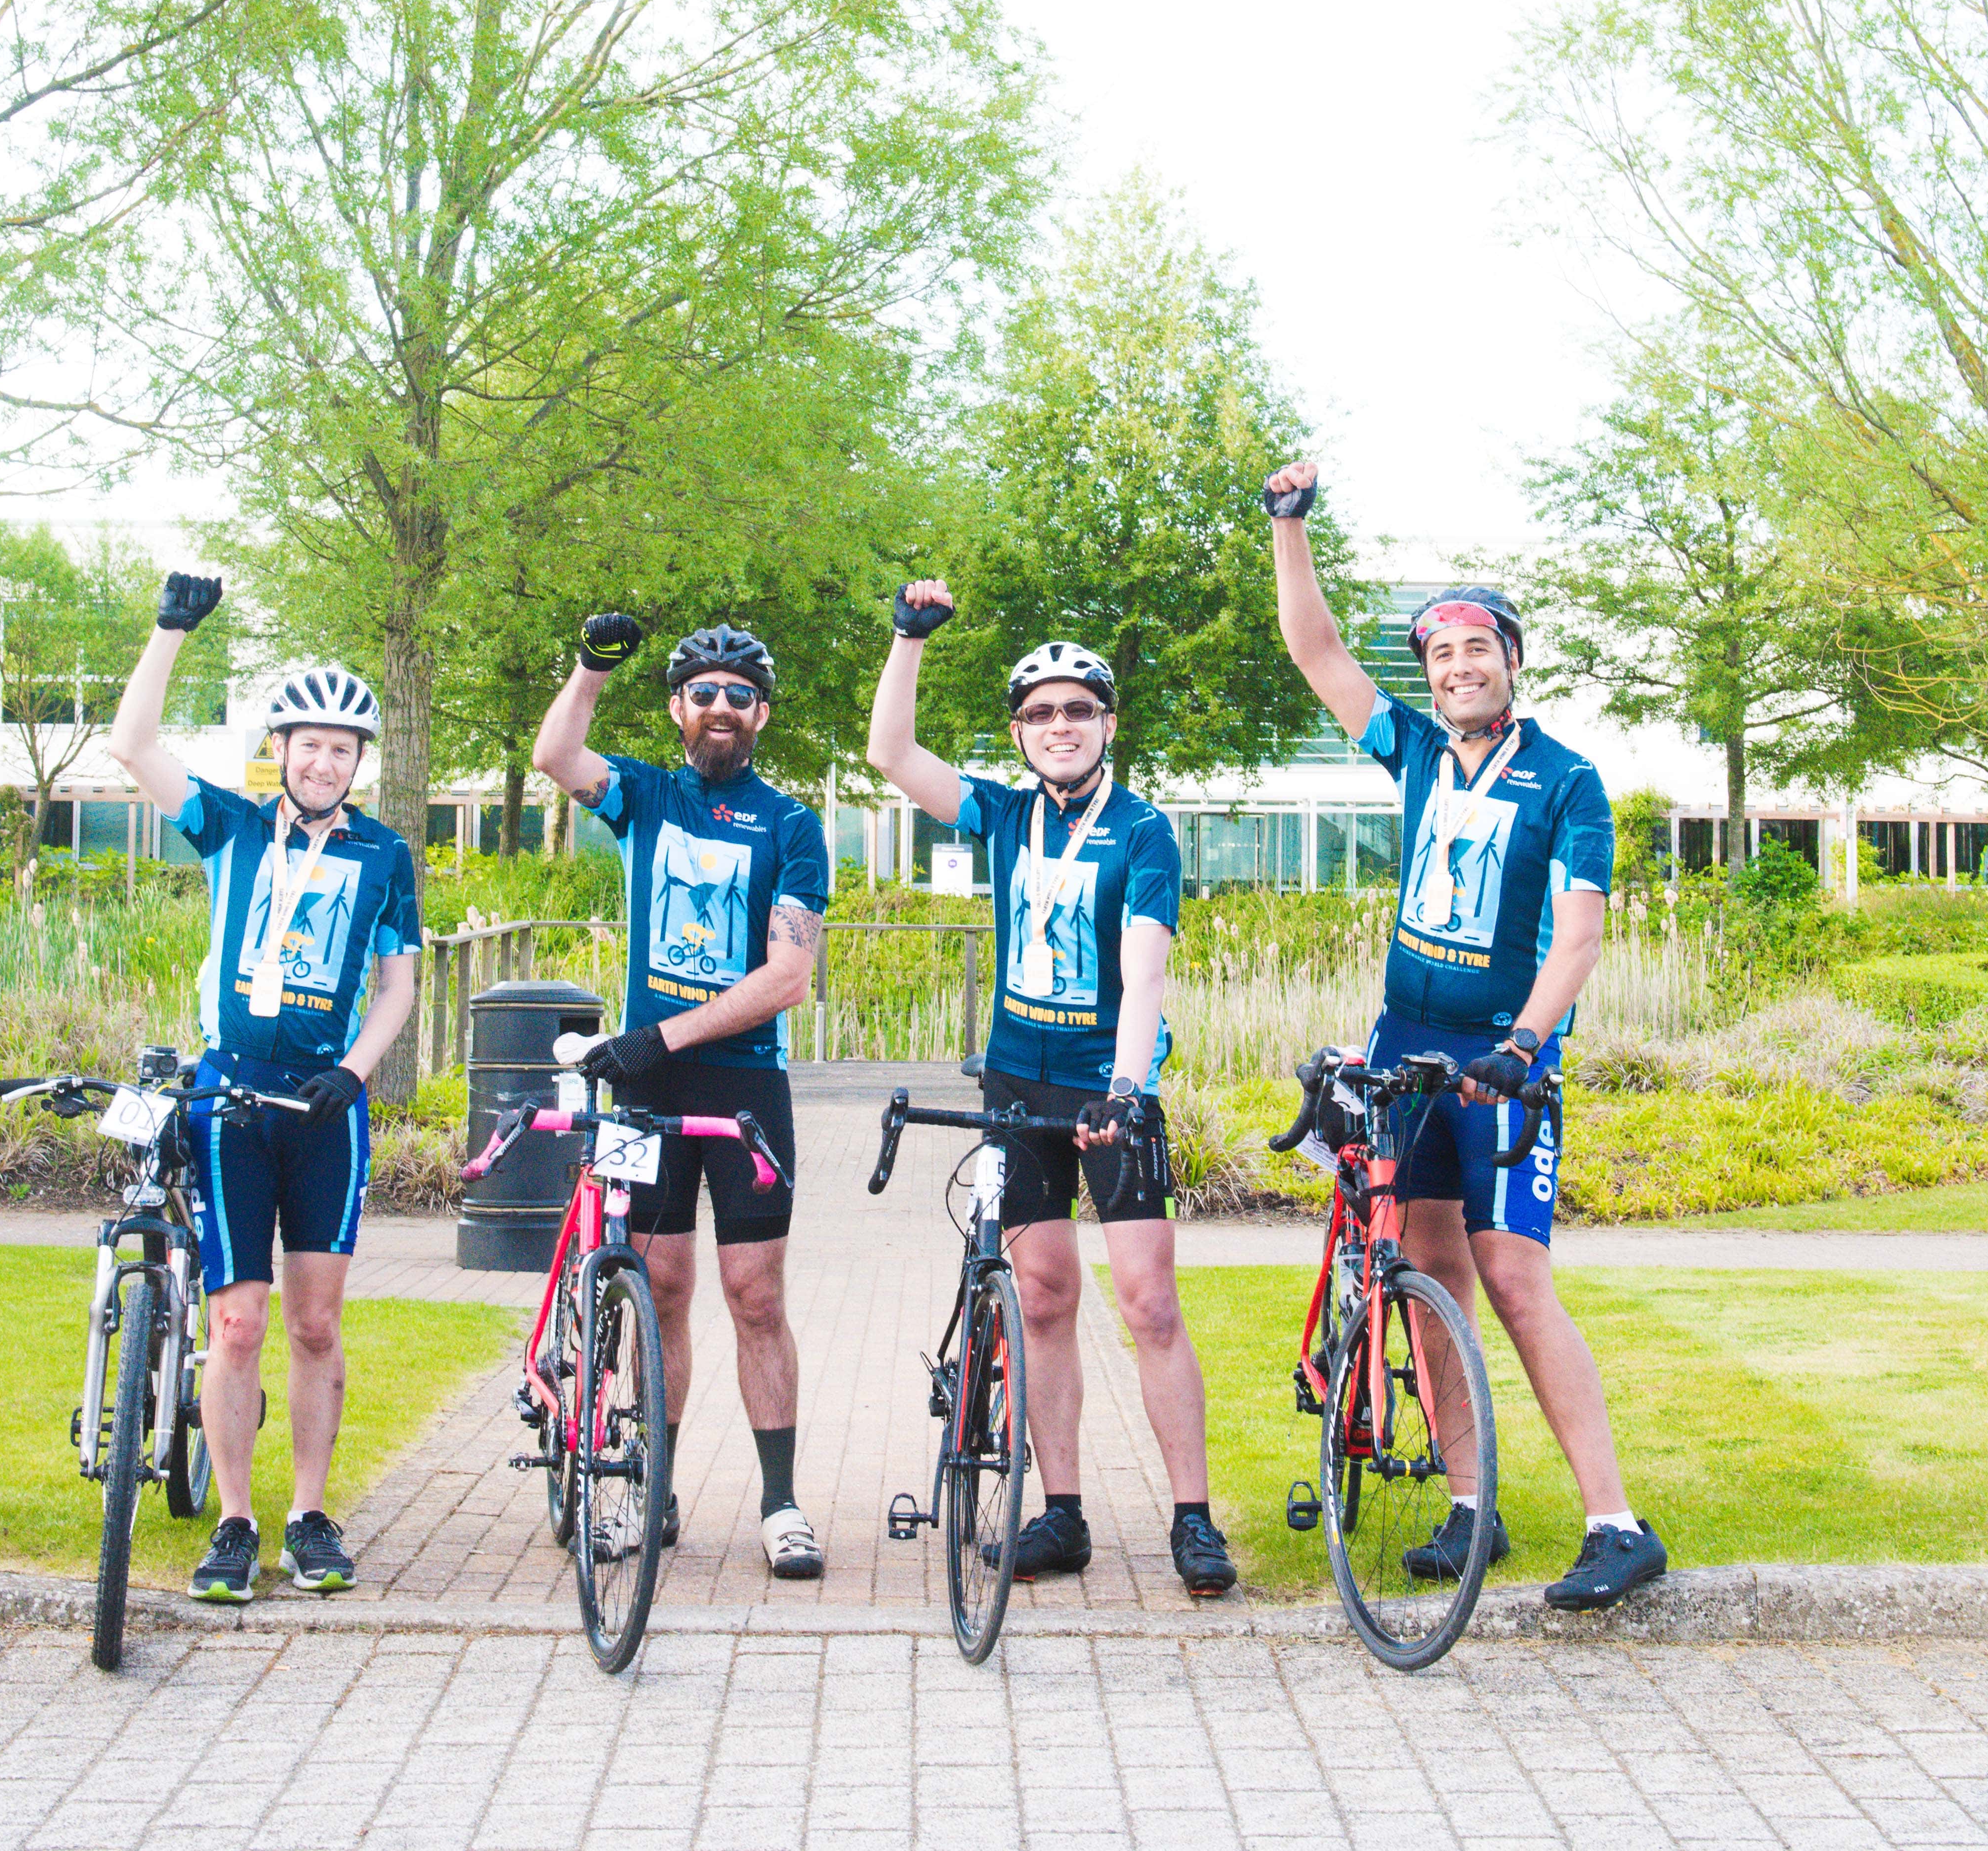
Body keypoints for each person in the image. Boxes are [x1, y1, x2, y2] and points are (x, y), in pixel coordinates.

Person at [1261, 461, 1669, 1613]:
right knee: (1427, 1262)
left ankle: (1615, 1522)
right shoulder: (1417, 754)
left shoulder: (1568, 781)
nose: (1457, 669)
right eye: (1440, 657)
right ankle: (1468, 1501)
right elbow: (1317, 651)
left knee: (1514, 1274)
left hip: (1502, 1058)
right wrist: (1290, 527)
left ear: (1513, 662)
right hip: (1406, 1041)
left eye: (1476, 650)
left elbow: (1579, 935)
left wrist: (1527, 1043)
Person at [865, 580, 1236, 1597]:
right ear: (1020, 733)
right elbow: (891, 755)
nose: (1060, 725)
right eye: (1040, 712)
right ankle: (1061, 1511)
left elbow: (1145, 961)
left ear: (1107, 725)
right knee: (1042, 1295)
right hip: (1016, 1081)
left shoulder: (1143, 829)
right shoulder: (1001, 812)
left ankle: (1192, 1518)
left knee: (1148, 1300)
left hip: (1106, 1083)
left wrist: (1123, 1086)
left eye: (1078, 709)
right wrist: (908, 639)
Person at [108, 571, 421, 1605]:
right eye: (309, 744)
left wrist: (353, 1069)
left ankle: (310, 1511)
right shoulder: (235, 828)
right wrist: (169, 631)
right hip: (230, 1099)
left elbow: (398, 981)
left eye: (343, 748)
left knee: (317, 1322)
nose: (325, 761)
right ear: (279, 753)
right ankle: (235, 1518)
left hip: (323, 1107)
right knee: (237, 1319)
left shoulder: (385, 853)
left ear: (356, 763)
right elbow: (133, 745)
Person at [531, 616, 831, 1581]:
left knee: (755, 1293)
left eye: (739, 695)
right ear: (676, 707)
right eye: (702, 691)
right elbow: (553, 752)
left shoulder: (789, 824)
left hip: (743, 1084)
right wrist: (590, 667)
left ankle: (780, 1500)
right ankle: (648, 1485)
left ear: (761, 715)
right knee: (657, 1282)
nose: (719, 708)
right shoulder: (645, 795)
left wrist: (660, 1034)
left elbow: (788, 974)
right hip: (643, 1086)